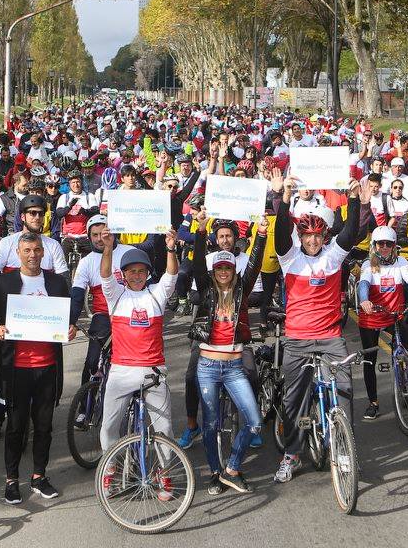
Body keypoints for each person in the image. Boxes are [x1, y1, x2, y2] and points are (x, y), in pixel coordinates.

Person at [272, 178, 361, 484]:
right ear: (302, 237)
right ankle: (292, 454)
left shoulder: (332, 256)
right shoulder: (290, 258)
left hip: (330, 337)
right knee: (292, 400)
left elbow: (350, 232)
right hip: (297, 339)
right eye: (307, 236)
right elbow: (280, 233)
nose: (312, 241)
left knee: (345, 390)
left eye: (317, 235)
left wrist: (353, 199)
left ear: (324, 235)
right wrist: (284, 198)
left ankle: (344, 449)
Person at [0, 233, 74, 504]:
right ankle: (11, 481)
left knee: (44, 426)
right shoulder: (4, 282)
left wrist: (71, 327)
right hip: (16, 367)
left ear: (43, 252)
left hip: (47, 366)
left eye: (36, 250)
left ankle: (38, 476)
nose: (32, 255)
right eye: (27, 250)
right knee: (16, 426)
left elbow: (67, 316)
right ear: (18, 253)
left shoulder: (56, 282)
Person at [97, 228, 180, 498]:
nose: (136, 275)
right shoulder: (116, 296)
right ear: (125, 275)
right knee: (109, 427)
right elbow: (105, 275)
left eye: (141, 271)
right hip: (121, 370)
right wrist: (108, 248)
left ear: (147, 274)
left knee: (164, 428)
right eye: (131, 271)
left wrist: (170, 248)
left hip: (153, 370)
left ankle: (164, 475)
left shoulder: (156, 295)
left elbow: (172, 274)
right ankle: (110, 471)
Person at [189, 213, 267, 495]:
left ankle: (232, 469)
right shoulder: (208, 290)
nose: (223, 272)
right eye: (219, 268)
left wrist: (262, 232)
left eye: (228, 268)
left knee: (255, 421)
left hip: (234, 367)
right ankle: (214, 473)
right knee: (210, 425)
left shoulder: (242, 291)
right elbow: (198, 264)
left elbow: (256, 261)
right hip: (207, 366)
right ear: (214, 271)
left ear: (235, 271)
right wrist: (199, 230)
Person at [356, 226, 408, 420]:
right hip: (371, 316)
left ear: (394, 246)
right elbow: (363, 284)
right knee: (369, 361)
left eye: (389, 244)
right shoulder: (368, 265)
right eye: (381, 244)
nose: (385, 247)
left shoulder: (401, 262)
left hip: (393, 315)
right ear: (375, 245)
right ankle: (373, 403)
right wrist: (364, 300)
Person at [69, 215, 135, 389]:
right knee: (92, 362)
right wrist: (70, 322)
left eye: (103, 233)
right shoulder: (86, 262)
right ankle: (84, 408)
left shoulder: (129, 252)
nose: (100, 239)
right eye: (95, 235)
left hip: (129, 315)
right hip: (103, 316)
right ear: (89, 237)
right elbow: (77, 296)